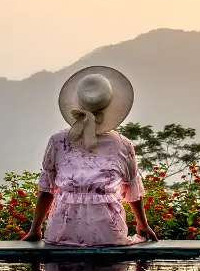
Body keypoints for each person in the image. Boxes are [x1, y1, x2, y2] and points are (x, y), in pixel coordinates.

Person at [21, 66, 159, 246]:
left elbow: (47, 191)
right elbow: (132, 189)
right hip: (106, 232)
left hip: (63, 230)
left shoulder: (58, 141)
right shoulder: (122, 144)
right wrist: (142, 224)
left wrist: (35, 229)